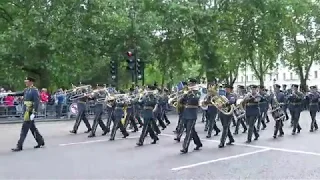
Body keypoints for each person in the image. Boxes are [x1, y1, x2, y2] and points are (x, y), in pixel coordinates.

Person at [9, 77, 45, 152]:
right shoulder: (26, 90)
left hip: (30, 111)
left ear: (31, 82)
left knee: (24, 129)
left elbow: (36, 102)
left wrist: (34, 113)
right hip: (26, 110)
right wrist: (9, 94)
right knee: (33, 128)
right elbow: (19, 93)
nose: (26, 83)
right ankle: (40, 141)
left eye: (27, 81)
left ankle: (19, 146)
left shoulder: (34, 90)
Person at [180, 78, 202, 153]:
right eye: (189, 84)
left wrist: (191, 92)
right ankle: (198, 143)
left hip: (192, 113)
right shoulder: (187, 92)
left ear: (194, 84)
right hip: (186, 113)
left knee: (189, 131)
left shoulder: (197, 92)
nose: (189, 85)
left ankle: (185, 147)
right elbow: (181, 101)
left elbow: (195, 100)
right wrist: (184, 95)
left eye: (190, 84)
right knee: (191, 130)